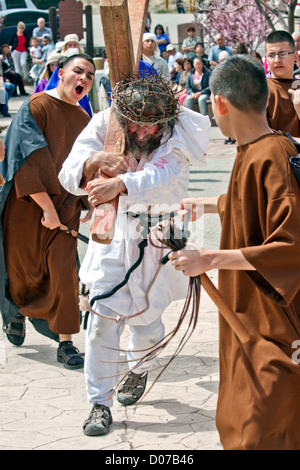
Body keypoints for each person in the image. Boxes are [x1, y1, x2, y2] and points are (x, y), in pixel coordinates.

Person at [58, 73, 211, 436]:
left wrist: (120, 182)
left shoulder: (178, 135)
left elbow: (161, 174)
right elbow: (66, 174)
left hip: (158, 236)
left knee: (147, 324)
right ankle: (99, 403)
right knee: (100, 321)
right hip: (111, 234)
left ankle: (138, 369)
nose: (142, 135)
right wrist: (94, 159)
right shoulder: (104, 124)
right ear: (122, 118)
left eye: (150, 127)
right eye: (135, 127)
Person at [169, 54, 300, 450]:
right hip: (244, 310)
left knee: (265, 425)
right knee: (241, 414)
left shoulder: (274, 154)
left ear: (220, 103)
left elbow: (290, 245)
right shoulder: (252, 149)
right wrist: (206, 203)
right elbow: (249, 207)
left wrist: (207, 258)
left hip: (271, 321)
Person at [0, 54, 96, 368]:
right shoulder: (36, 107)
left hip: (65, 208)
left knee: (65, 272)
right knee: (23, 271)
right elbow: (26, 160)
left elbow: (87, 169)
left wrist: (90, 202)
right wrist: (46, 207)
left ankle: (66, 341)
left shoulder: (85, 121)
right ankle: (15, 312)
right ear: (59, 72)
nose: (83, 79)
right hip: (26, 207)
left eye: (90, 76)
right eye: (78, 71)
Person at [265, 30, 300, 137]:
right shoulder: (260, 88)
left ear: (295, 56)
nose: (277, 60)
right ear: (266, 59)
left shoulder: (298, 86)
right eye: (271, 55)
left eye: (282, 54)